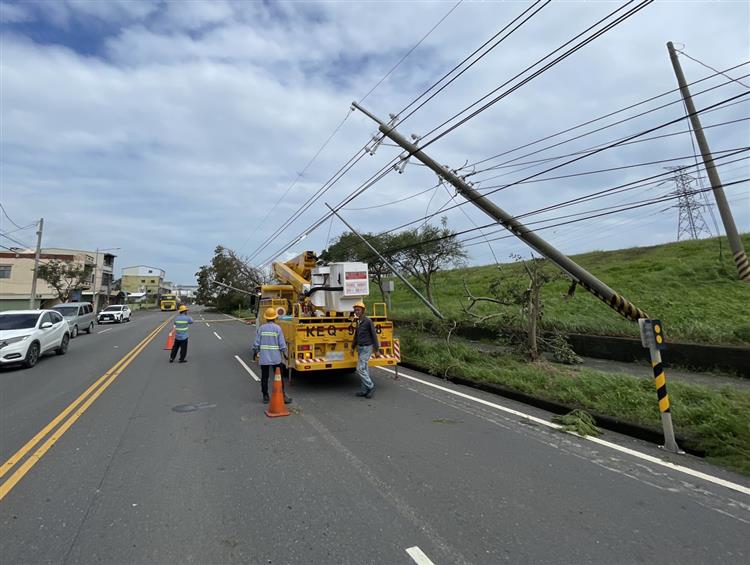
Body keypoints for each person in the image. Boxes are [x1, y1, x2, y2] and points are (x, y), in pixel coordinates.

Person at [252, 307, 292, 405]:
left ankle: (265, 396)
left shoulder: (261, 328)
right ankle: (282, 396)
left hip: (264, 358)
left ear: (266, 318)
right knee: (279, 377)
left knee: (265, 377)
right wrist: (286, 355)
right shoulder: (277, 329)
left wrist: (255, 352)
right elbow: (282, 344)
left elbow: (256, 344)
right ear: (275, 318)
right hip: (276, 358)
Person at [352, 301, 379, 398]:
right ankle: (364, 390)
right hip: (360, 347)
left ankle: (371, 386)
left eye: (358, 310)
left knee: (359, 368)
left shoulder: (368, 321)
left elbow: (374, 335)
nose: (357, 311)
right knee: (365, 369)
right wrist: (352, 347)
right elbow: (356, 335)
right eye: (355, 310)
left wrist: (376, 349)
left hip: (367, 347)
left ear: (363, 310)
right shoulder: (358, 321)